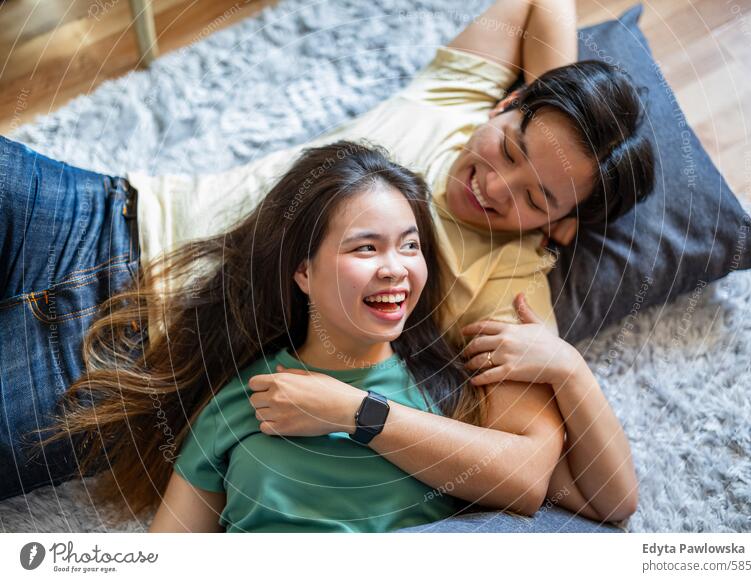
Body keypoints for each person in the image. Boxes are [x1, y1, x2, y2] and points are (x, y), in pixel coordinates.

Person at [0, 0, 648, 522]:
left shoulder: (511, 285)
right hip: (103, 211)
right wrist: (554, 110)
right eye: (510, 148)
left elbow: (530, 470)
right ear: (508, 104)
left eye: (535, 196)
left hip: (115, 358)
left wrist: (566, 368)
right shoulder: (461, 94)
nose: (494, 187)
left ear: (561, 224)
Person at [38, 140, 567, 532]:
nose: (395, 269)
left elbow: (530, 486)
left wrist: (355, 411)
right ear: (304, 273)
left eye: (410, 246)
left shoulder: (446, 390)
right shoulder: (243, 400)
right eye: (365, 248)